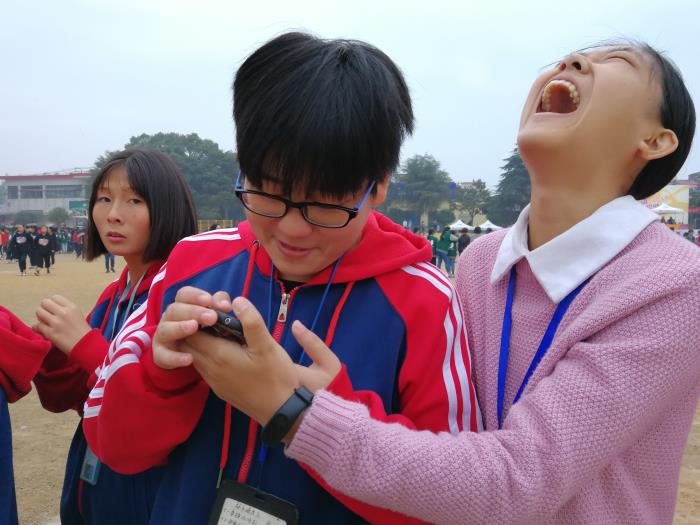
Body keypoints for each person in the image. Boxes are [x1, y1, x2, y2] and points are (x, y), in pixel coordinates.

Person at [172, 40, 699, 524]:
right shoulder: (484, 259)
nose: (572, 63)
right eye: (568, 58)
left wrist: (289, 410)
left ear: (655, 141)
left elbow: (519, 480)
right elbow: (451, 442)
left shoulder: (674, 284)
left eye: (617, 62)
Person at [82, 32, 479, 525]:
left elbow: (454, 500)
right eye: (268, 193)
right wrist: (163, 377)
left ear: (377, 187)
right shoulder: (191, 263)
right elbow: (112, 447)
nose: (291, 229)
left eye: (325, 203)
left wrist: (319, 409)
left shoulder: (425, 300)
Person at [0, 149, 198, 525]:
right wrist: (52, 351)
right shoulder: (114, 295)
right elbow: (79, 397)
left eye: (134, 200)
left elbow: (154, 410)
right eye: (104, 199)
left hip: (148, 493)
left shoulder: (181, 295)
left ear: (168, 208)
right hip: (92, 485)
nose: (113, 214)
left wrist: (85, 345)